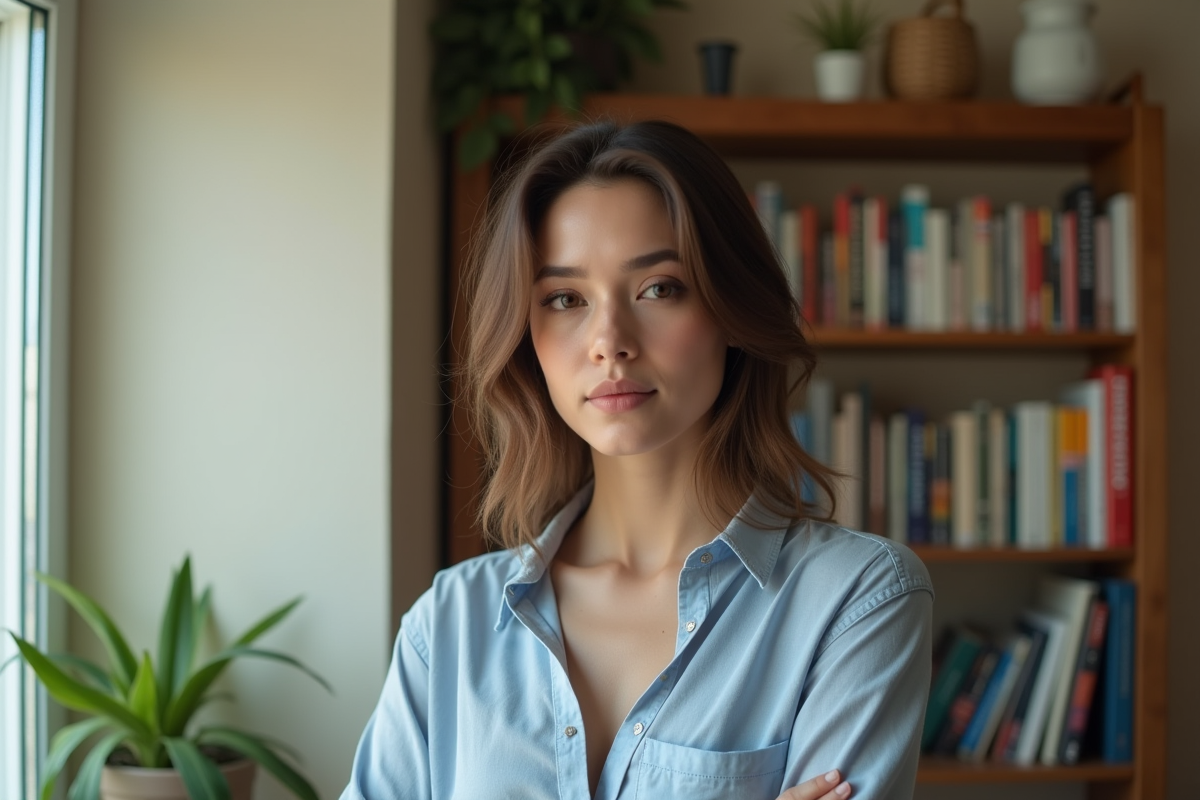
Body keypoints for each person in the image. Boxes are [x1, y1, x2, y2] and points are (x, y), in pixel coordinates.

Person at [341, 120, 934, 800]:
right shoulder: (448, 623)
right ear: (525, 336)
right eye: (565, 299)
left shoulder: (857, 600)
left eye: (659, 288)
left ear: (729, 308)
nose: (609, 342)